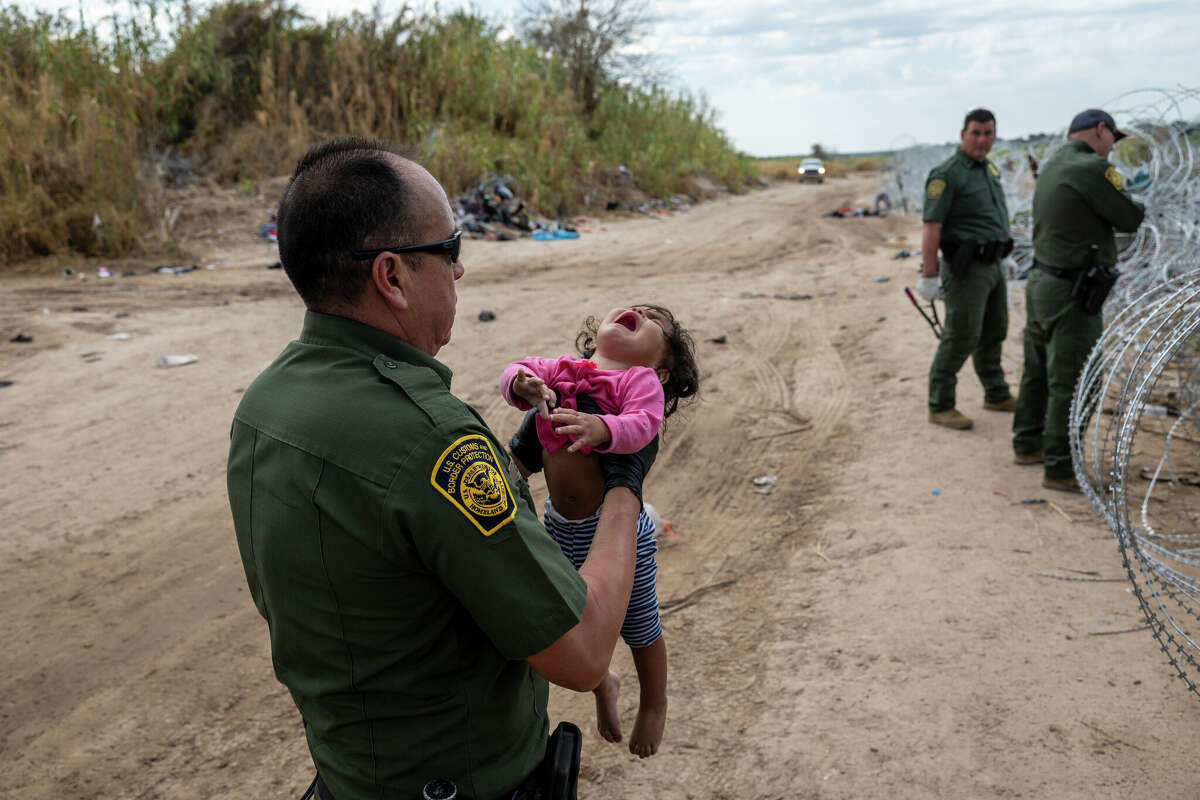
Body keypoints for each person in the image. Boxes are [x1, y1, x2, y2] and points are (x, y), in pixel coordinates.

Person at [226, 138, 656, 800]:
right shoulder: (431, 438)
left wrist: (515, 459)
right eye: (449, 251)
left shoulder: (266, 403)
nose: (458, 272)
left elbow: (393, 559)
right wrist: (626, 485)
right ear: (392, 276)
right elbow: (582, 650)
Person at [499, 304, 699, 758]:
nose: (640, 311)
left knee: (638, 624)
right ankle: (602, 684)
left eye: (655, 322)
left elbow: (643, 426)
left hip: (619, 536)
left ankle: (653, 703)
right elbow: (519, 369)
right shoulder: (566, 371)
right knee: (570, 621)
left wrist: (601, 427)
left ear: (662, 372)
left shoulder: (638, 384)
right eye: (636, 308)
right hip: (558, 525)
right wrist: (520, 383)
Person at [1012, 109, 1145, 492]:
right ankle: (1060, 468)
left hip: (1042, 281)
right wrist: (1138, 201)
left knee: (1037, 370)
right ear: (1100, 130)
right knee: (1073, 378)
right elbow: (1130, 218)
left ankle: (1027, 444)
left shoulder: (1054, 163)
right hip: (1072, 289)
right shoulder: (1091, 169)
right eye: (1111, 141)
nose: (1111, 151)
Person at [915, 108, 1016, 430]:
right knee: (961, 336)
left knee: (995, 330)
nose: (982, 140)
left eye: (988, 134)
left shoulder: (988, 169)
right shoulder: (947, 174)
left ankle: (996, 392)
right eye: (975, 133)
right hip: (966, 269)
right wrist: (929, 276)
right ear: (963, 135)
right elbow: (932, 226)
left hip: (993, 264)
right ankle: (940, 404)